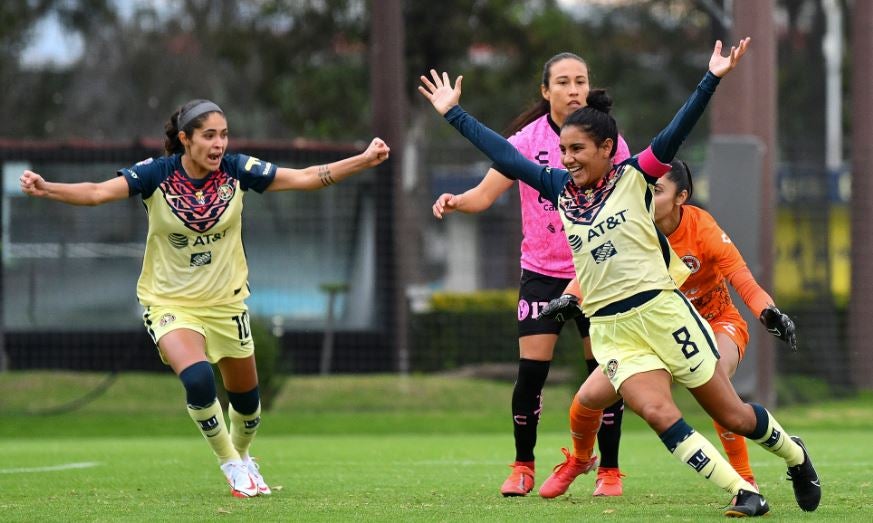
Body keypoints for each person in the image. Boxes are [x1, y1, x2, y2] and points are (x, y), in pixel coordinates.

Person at [419, 38, 821, 516]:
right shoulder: (561, 189)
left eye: (578, 150)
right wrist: (453, 114)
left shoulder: (635, 176)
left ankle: (796, 456)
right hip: (613, 331)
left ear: (607, 148)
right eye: (563, 150)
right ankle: (742, 491)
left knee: (730, 413)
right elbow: (506, 158)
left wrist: (711, 77)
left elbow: (677, 130)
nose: (566, 159)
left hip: (663, 316)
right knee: (656, 412)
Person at [19, 99, 390, 498]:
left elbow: (302, 178)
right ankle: (231, 464)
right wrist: (48, 189)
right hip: (169, 303)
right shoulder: (156, 174)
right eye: (209, 135)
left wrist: (363, 160)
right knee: (197, 380)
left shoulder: (237, 169)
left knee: (248, 409)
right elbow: (95, 193)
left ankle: (244, 455)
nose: (219, 144)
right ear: (185, 139)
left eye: (224, 135)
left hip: (226, 305)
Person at [431, 52, 629, 497]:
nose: (574, 89)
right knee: (530, 375)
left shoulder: (609, 139)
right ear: (546, 91)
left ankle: (609, 472)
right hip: (541, 273)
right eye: (563, 82)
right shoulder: (526, 140)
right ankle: (523, 466)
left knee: (605, 373)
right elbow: (484, 196)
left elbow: (629, 201)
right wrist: (456, 201)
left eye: (581, 80)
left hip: (597, 275)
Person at [540, 159, 798, 499]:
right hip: (652, 334)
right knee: (587, 400)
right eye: (646, 189)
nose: (647, 195)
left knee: (719, 381)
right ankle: (581, 460)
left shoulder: (702, 228)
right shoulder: (630, 222)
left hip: (715, 321)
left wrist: (768, 312)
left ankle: (745, 479)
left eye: (657, 190)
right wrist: (569, 297)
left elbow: (742, 278)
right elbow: (596, 271)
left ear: (682, 197)